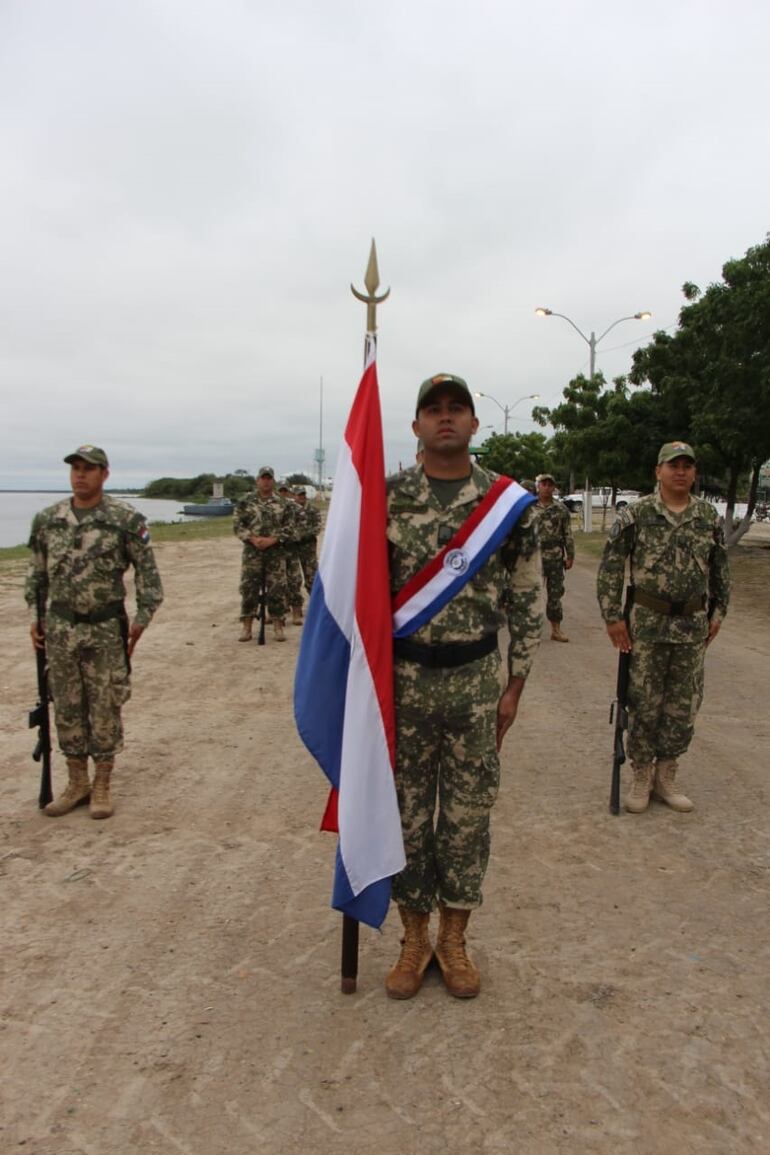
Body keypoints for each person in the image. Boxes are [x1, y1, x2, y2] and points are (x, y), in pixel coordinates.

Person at [385, 373, 542, 1000]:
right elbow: (349, 589)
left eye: (458, 410)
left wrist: (516, 681)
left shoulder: (506, 503)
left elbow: (529, 596)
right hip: (403, 684)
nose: (445, 418)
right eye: (433, 410)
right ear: (416, 425)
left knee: (468, 818)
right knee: (406, 818)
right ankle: (413, 937)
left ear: (476, 424)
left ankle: (454, 937)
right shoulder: (385, 497)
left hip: (476, 681)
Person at [25, 445, 164, 819]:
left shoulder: (125, 519)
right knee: (67, 704)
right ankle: (76, 782)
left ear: (105, 474)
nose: (80, 475)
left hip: (104, 627)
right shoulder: (48, 520)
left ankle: (101, 783)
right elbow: (37, 575)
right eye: (75, 469)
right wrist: (34, 616)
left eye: (89, 469)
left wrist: (141, 619)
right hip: (60, 627)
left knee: (104, 704)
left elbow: (149, 576)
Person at [597, 441, 730, 814]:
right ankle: (641, 774)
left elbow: (721, 571)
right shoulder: (636, 514)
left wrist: (717, 614)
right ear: (658, 471)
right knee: (644, 703)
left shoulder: (708, 517)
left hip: (691, 627)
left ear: (694, 473)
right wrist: (612, 617)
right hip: (647, 627)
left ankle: (666, 775)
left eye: (688, 466)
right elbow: (610, 568)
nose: (681, 472)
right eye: (674, 465)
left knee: (683, 705)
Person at [233, 466, 297, 641]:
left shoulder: (284, 504)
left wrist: (274, 540)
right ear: (257, 480)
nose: (266, 481)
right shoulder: (245, 502)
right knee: (248, 589)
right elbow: (238, 525)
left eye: (269, 478)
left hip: (275, 553)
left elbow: (290, 528)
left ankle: (278, 625)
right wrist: (252, 539)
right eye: (263, 478)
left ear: (273, 481)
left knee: (277, 589)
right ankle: (246, 626)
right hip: (252, 553)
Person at [534, 472, 575, 642]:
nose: (547, 487)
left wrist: (570, 555)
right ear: (538, 486)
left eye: (550, 484)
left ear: (554, 487)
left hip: (555, 557)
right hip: (534, 557)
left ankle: (556, 630)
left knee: (555, 594)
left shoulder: (561, 509)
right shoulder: (529, 507)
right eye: (544, 484)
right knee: (531, 593)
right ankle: (530, 629)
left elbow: (567, 533)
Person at [292, 487, 321, 599]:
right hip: (293, 548)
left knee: (312, 576)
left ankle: (315, 600)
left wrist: (302, 535)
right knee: (293, 577)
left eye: (303, 494)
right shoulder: (289, 510)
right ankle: (293, 603)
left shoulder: (313, 510)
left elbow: (317, 527)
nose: (301, 497)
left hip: (308, 548)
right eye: (299, 495)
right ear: (294, 496)